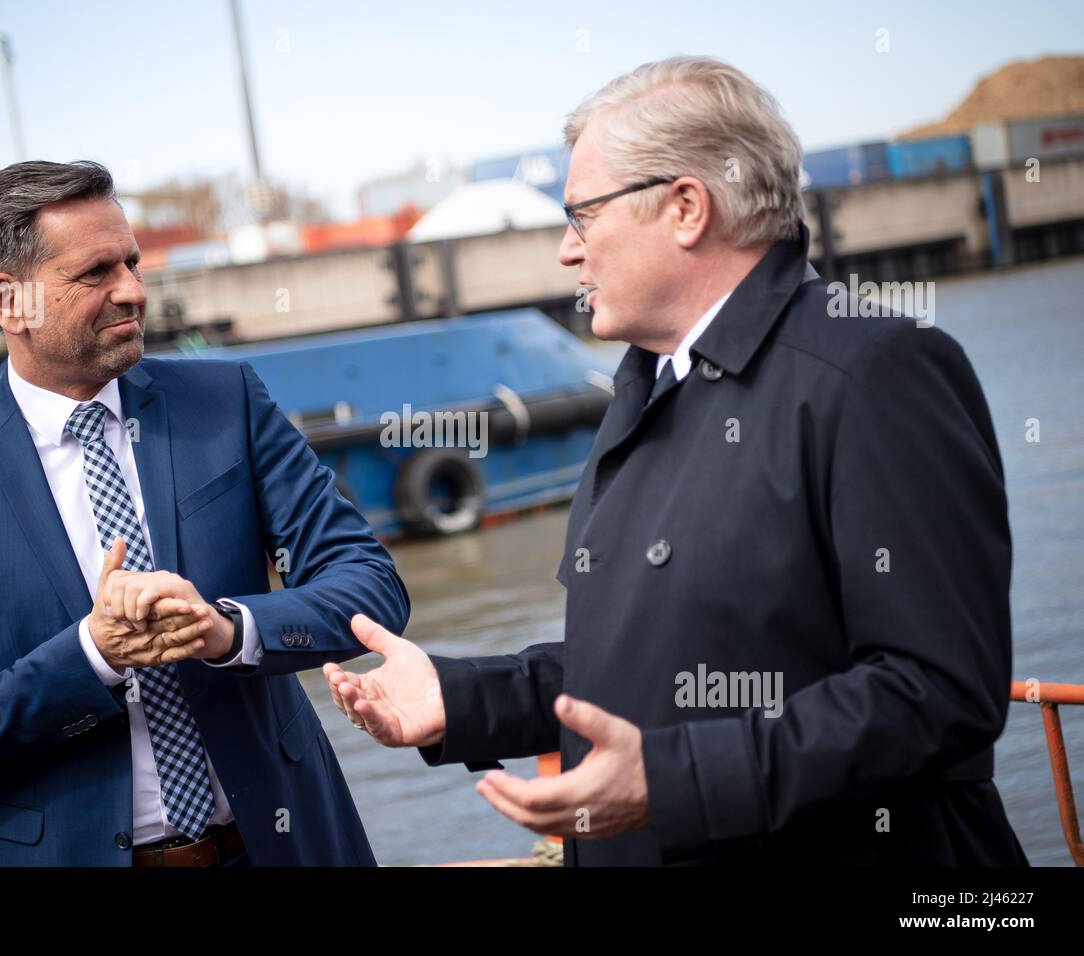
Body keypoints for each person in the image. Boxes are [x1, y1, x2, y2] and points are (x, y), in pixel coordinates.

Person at [325, 56, 1028, 866]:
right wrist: (461, 697)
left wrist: (672, 780)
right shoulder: (651, 387)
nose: (566, 250)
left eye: (582, 216)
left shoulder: (874, 373)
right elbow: (651, 664)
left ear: (687, 208)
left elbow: (939, 693)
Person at [0, 160, 409, 866]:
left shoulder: (228, 405)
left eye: (131, 262)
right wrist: (91, 655)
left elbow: (369, 584)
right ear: (8, 302)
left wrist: (229, 631)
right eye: (95, 272)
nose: (132, 290)